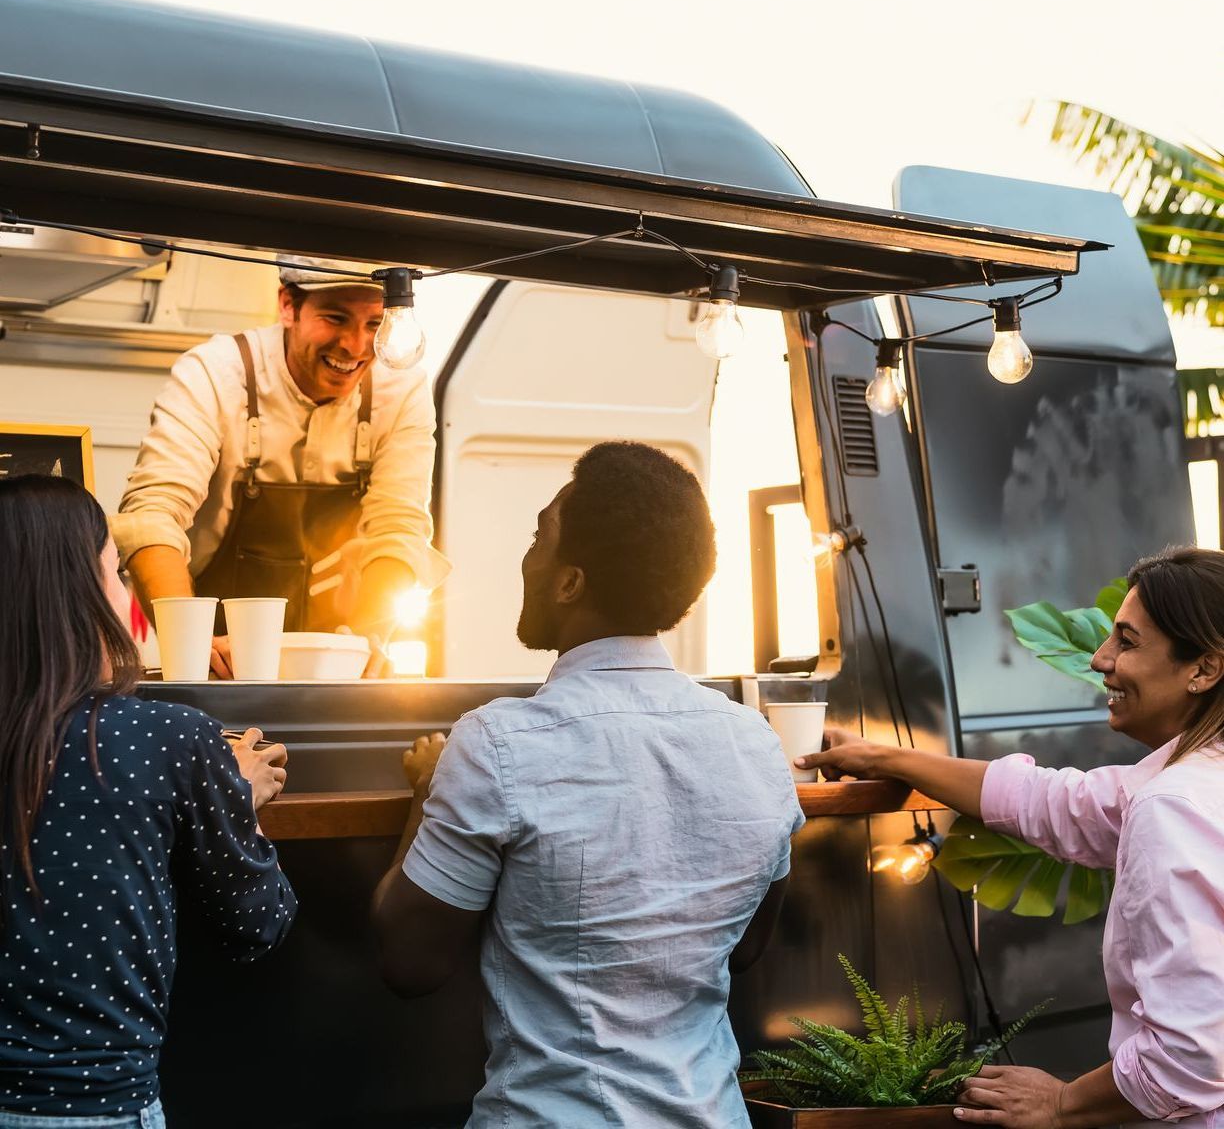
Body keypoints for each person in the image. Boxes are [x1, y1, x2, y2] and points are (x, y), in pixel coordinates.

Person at [371, 441, 806, 1126]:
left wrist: (428, 792)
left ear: (570, 583)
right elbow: (746, 948)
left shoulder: (499, 743)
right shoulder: (756, 742)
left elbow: (410, 964)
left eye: (540, 536)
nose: (527, 557)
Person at [800, 546, 1224, 1129]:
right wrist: (886, 756)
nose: (1100, 659)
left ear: (1204, 668)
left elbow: (1189, 1060)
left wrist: (1061, 1104)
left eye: (1127, 642)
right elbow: (1057, 804)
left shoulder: (1173, 806)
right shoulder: (1190, 783)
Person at [0, 475, 297, 1126]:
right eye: (116, 572)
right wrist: (234, 803)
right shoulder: (169, 737)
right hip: (100, 1109)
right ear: (82, 592)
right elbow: (257, 926)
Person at [112, 255, 450, 677]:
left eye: (374, 324)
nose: (355, 345)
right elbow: (153, 515)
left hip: (335, 651)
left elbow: (397, 528)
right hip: (214, 648)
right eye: (335, 317)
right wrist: (191, 644)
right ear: (288, 305)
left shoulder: (402, 387)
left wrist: (368, 637)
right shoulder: (216, 372)